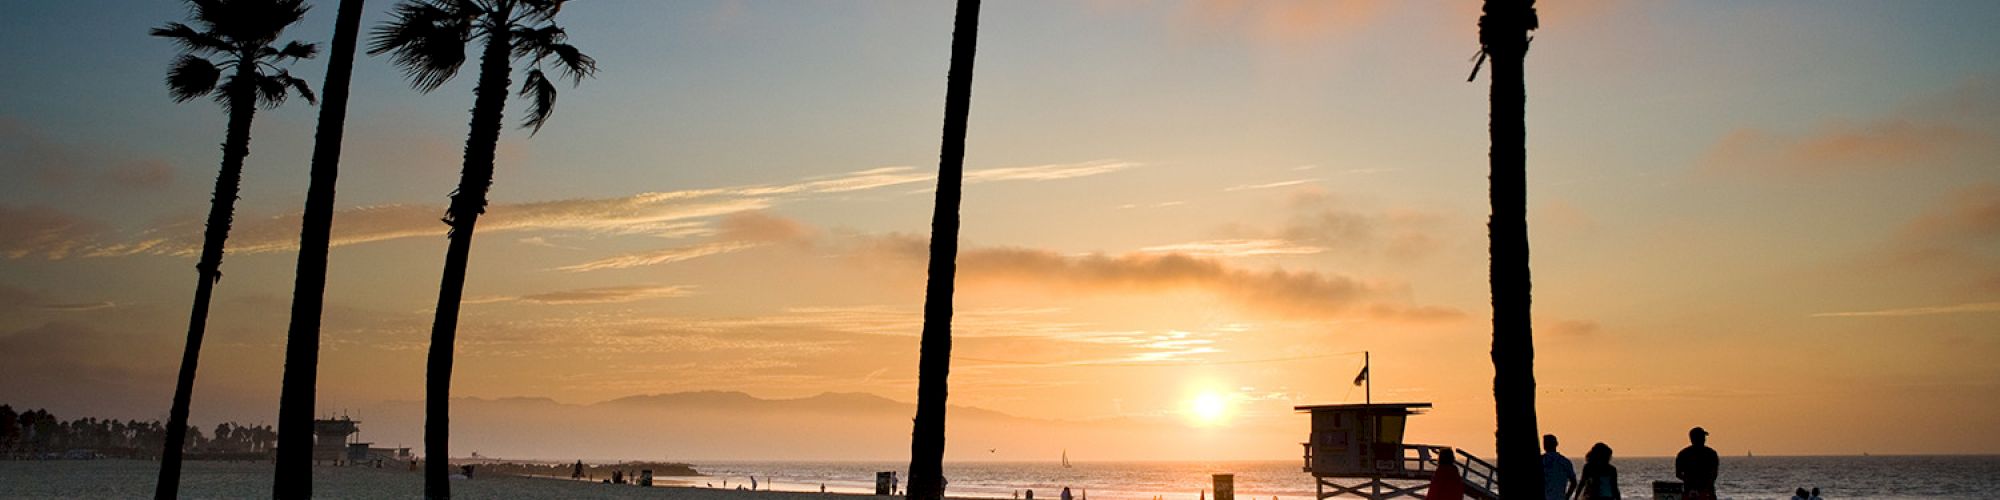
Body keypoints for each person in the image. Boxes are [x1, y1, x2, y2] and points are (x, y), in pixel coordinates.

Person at [1675, 427, 1720, 500]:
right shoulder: (1711, 454)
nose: (1704, 439)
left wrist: (1689, 480)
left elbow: (1678, 474)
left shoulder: (1683, 454)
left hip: (1690, 491)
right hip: (1706, 492)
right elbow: (1714, 474)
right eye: (1702, 437)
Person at [1542, 434, 1578, 500]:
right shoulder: (1565, 461)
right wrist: (1567, 497)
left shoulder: (1542, 460)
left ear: (1544, 446)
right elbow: (1574, 482)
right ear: (1556, 444)